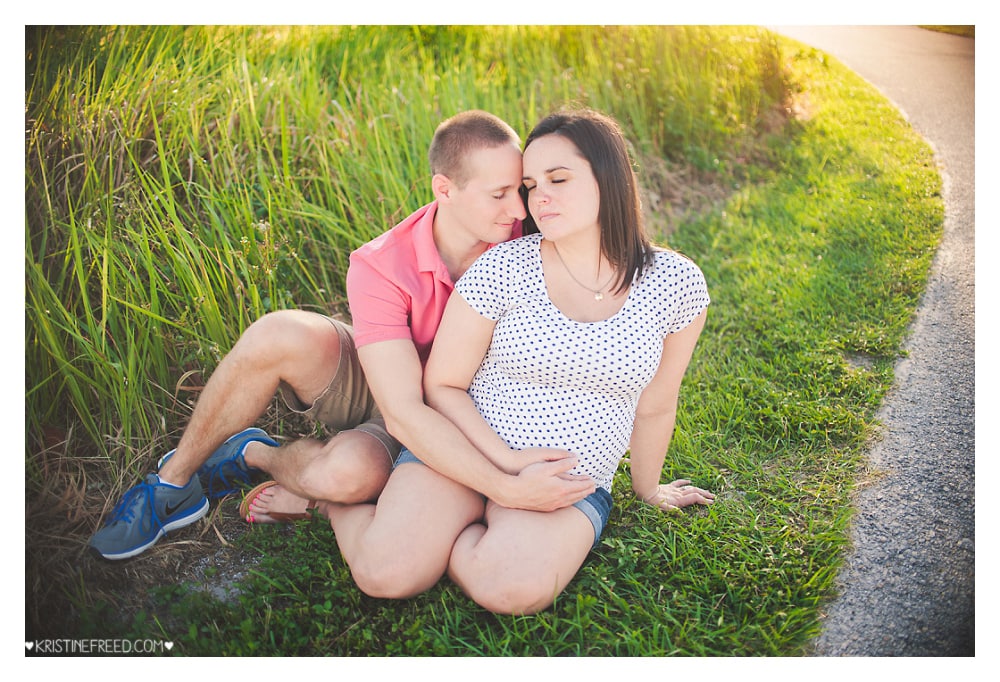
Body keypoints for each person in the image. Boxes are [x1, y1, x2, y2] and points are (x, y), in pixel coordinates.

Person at [88, 110, 592, 560]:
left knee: (341, 477)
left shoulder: (531, 240)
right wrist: (506, 487)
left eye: (519, 191)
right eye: (500, 195)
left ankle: (259, 456)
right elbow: (400, 406)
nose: (519, 211)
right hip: (395, 389)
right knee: (277, 333)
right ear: (445, 189)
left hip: (477, 405)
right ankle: (173, 484)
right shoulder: (381, 263)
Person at [269, 107, 713, 615]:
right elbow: (444, 385)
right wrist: (502, 468)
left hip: (566, 478)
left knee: (514, 591)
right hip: (466, 450)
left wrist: (649, 488)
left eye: (559, 178)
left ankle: (454, 537)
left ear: (609, 178)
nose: (537, 197)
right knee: (385, 574)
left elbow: (657, 403)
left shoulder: (676, 282)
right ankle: (334, 507)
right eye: (529, 184)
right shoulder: (503, 264)